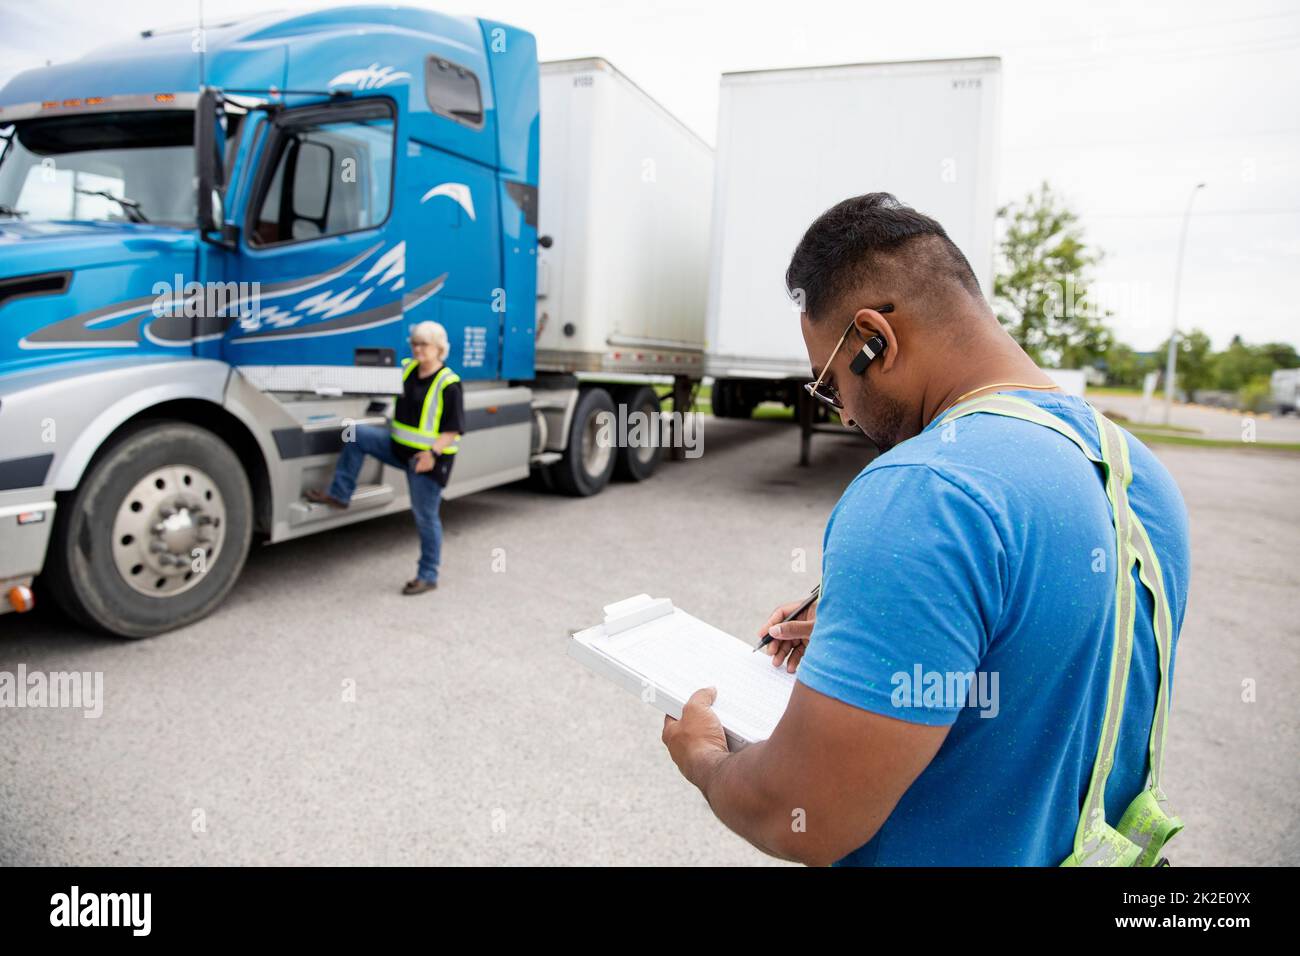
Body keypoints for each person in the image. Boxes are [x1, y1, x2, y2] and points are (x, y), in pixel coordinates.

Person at [660, 193, 1191, 866]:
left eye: (828, 384)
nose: (844, 415)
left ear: (873, 339)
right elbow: (1046, 658)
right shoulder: (1139, 474)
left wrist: (706, 756)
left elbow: (804, 814)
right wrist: (892, 623)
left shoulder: (923, 490)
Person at [308, 321, 464, 595]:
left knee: (425, 517)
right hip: (397, 447)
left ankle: (428, 575)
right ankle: (340, 494)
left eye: (424, 344)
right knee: (355, 434)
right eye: (415, 343)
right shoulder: (407, 369)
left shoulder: (449, 383)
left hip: (426, 460)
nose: (418, 349)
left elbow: (453, 429)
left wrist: (432, 454)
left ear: (439, 349)